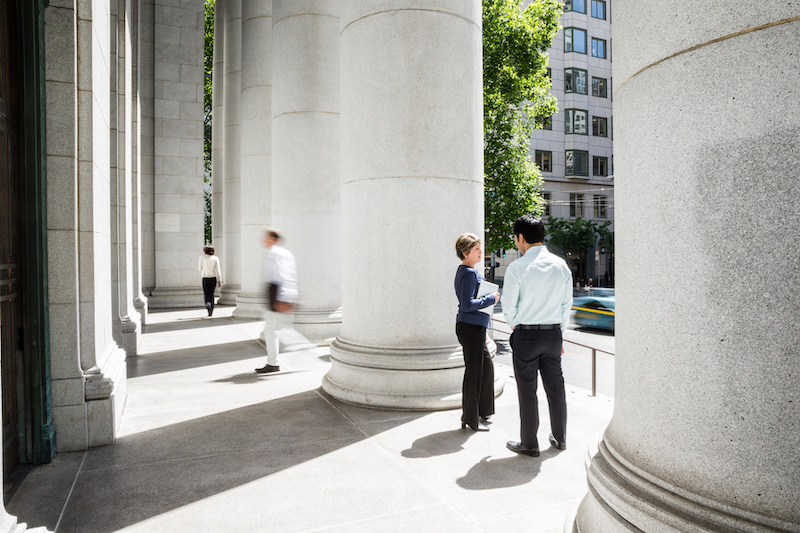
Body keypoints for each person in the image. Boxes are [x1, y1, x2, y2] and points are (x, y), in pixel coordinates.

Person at [502, 215, 573, 457]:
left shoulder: (518, 267)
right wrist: (559, 335)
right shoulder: (561, 265)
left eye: (516, 238)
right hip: (553, 334)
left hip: (526, 335)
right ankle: (561, 437)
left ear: (520, 238)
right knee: (556, 389)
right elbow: (566, 306)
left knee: (527, 391)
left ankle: (529, 444)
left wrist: (514, 324)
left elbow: (508, 306)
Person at [454, 233, 500, 432]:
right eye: (476, 249)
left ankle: (483, 410)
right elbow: (466, 305)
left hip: (474, 327)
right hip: (470, 327)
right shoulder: (469, 273)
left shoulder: (467, 270)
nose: (481, 252)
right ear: (465, 253)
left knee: (487, 367)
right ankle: (471, 418)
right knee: (473, 373)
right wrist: (491, 298)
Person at [255, 229, 315, 374]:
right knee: (275, 329)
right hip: (276, 292)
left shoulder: (274, 253)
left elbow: (283, 275)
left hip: (276, 292)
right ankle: (275, 360)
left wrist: (282, 298)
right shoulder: (285, 253)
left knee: (272, 329)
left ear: (273, 239)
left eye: (266, 238)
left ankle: (276, 360)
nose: (263, 240)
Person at [198, 246, 223, 317]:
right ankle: (211, 310)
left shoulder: (202, 258)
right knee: (212, 294)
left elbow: (199, 268)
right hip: (213, 278)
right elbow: (218, 270)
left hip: (205, 278)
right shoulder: (215, 258)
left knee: (206, 294)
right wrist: (220, 280)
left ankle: (207, 305)